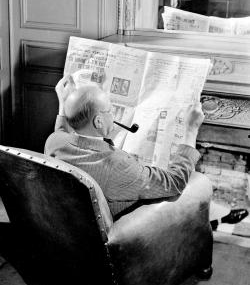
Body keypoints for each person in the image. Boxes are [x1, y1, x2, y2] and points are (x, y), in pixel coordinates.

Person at [45, 76, 248, 224]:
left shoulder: (54, 142)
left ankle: (215, 217)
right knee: (193, 184)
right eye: (109, 110)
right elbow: (174, 182)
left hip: (82, 218)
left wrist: (64, 103)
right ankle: (213, 221)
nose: (113, 113)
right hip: (130, 218)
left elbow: (61, 131)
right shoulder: (117, 165)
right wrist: (191, 130)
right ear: (98, 121)